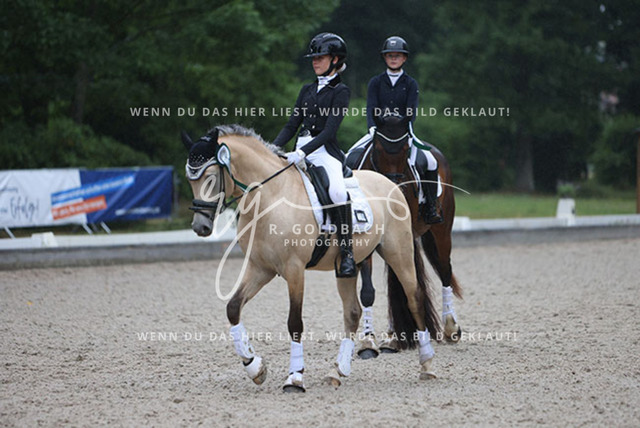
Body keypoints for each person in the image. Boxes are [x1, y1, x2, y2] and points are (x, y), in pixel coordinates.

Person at [272, 32, 356, 278]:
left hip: (323, 151)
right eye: (313, 58)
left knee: (337, 192)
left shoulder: (341, 91)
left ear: (335, 60)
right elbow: (291, 125)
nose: (315, 62)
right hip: (298, 149)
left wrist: (302, 152)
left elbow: (329, 131)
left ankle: (347, 253)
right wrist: (271, 149)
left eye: (320, 57)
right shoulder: (307, 89)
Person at [363, 36, 442, 224]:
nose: (393, 59)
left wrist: (403, 128)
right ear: (385, 57)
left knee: (431, 161)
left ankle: (431, 207)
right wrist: (372, 127)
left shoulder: (410, 83)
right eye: (390, 55)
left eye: (397, 56)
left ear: (404, 58)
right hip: (379, 131)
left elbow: (411, 111)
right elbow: (371, 107)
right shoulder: (376, 82)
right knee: (350, 156)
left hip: (402, 132)